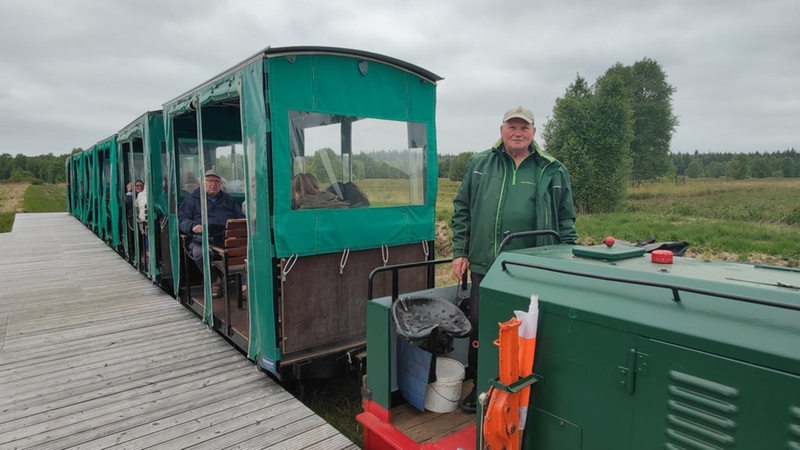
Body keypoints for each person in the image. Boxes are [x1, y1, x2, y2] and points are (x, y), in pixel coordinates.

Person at [450, 106, 578, 413]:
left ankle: (525, 394)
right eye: (512, 126)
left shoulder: (552, 169)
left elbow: (566, 219)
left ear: (533, 132)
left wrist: (569, 259)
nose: (517, 133)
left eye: (524, 127)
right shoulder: (481, 164)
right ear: (502, 129)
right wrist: (460, 251)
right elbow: (462, 208)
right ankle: (480, 388)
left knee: (528, 331)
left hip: (534, 269)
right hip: (487, 264)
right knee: (482, 327)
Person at [179, 169, 245, 297]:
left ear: (220, 184)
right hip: (202, 238)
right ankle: (215, 280)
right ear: (201, 183)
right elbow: (182, 220)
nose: (213, 184)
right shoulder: (192, 200)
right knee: (201, 253)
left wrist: (237, 231)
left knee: (246, 249)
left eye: (216, 181)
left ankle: (244, 285)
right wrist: (193, 226)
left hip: (225, 237)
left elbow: (240, 217)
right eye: (210, 181)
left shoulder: (228, 200)